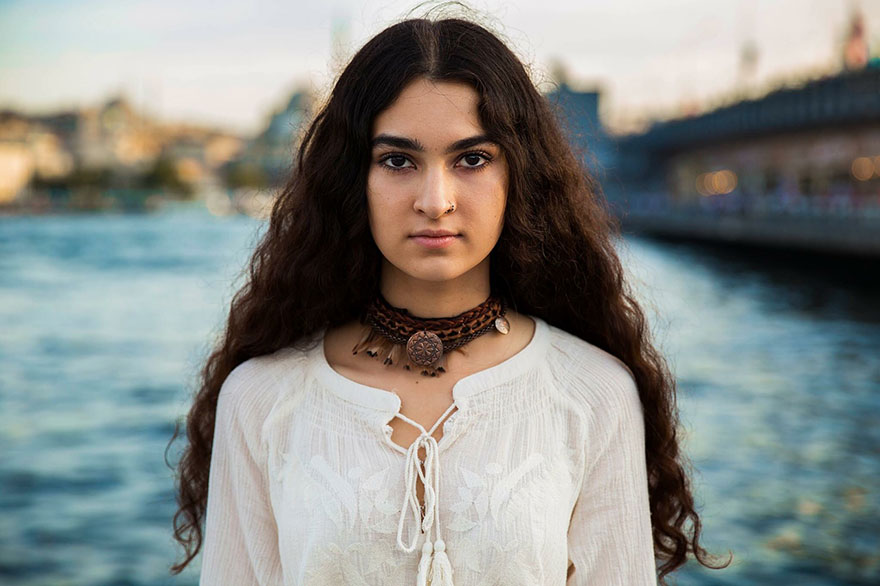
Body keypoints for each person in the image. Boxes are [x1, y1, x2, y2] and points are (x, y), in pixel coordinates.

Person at [169, 14, 730, 586]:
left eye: (472, 159)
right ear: (351, 179)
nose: (435, 201)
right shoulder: (263, 400)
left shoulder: (592, 394)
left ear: (519, 176)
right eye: (397, 161)